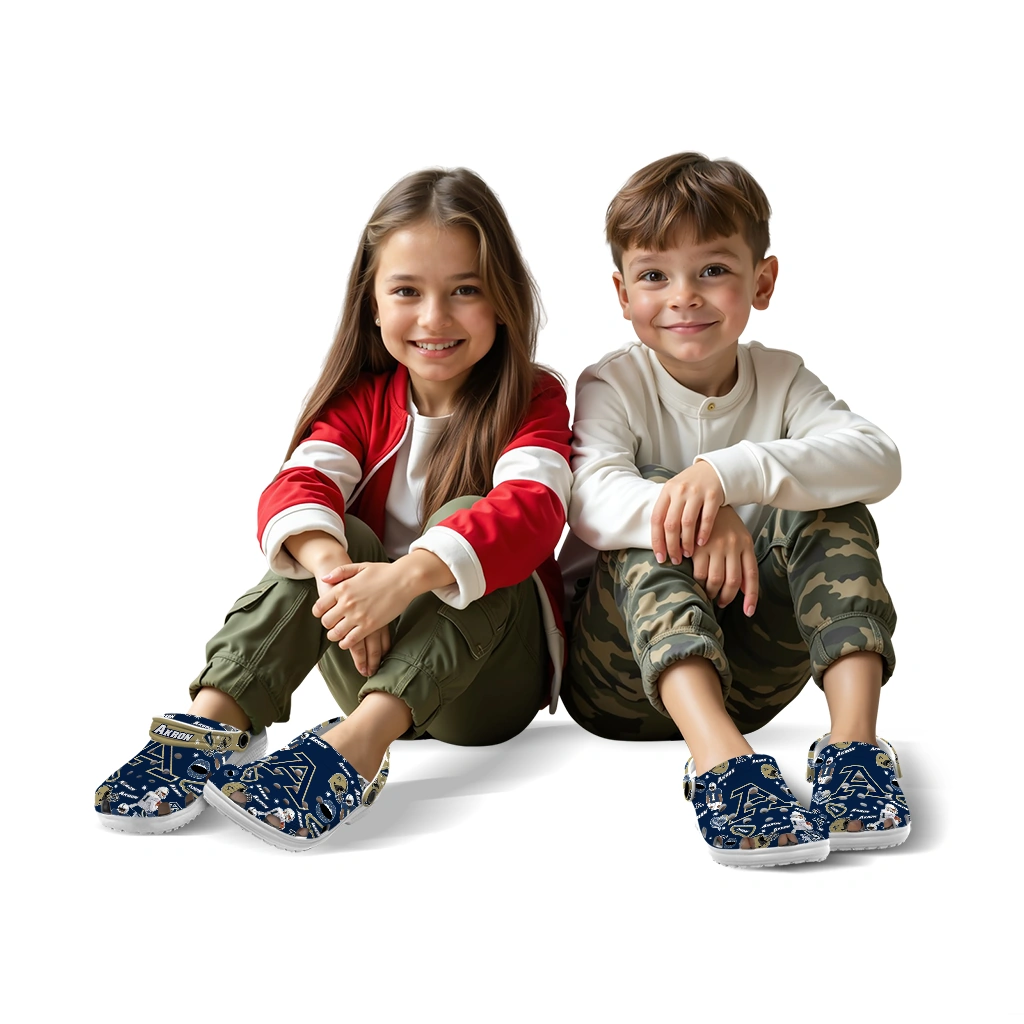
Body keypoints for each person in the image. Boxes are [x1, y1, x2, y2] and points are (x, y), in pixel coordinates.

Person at [95, 168, 572, 850]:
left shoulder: (534, 398)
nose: (434, 318)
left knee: (477, 520)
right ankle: (218, 717)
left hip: (487, 692)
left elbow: (535, 507)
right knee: (327, 533)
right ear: (372, 304)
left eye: (465, 290)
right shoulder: (359, 402)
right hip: (368, 655)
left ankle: (360, 747)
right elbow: (297, 485)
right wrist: (335, 574)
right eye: (407, 292)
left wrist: (403, 580)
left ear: (503, 300)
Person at [558, 152, 910, 866]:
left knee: (833, 506)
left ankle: (853, 749)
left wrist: (729, 473)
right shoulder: (613, 383)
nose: (684, 297)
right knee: (652, 502)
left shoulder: (783, 378)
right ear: (622, 293)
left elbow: (878, 457)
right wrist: (699, 505)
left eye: (713, 270)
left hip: (754, 678)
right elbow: (590, 499)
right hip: (618, 679)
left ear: (763, 281)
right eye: (655, 276)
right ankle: (722, 765)